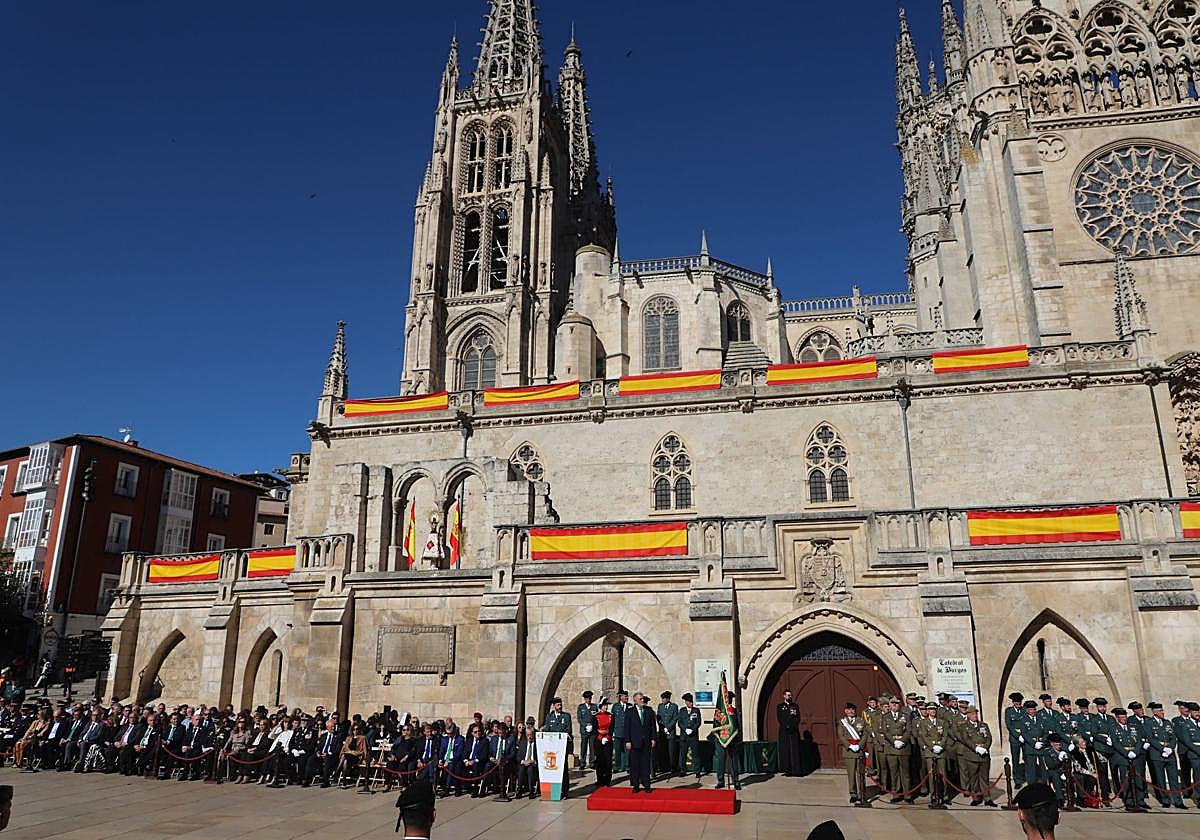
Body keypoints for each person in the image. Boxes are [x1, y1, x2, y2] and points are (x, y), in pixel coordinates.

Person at [1107, 707, 1148, 811]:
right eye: (1122, 717)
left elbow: (1139, 740)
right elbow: (1116, 743)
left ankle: (1140, 800)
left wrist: (1136, 752)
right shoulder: (1113, 728)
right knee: (1125, 780)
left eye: (1125, 717)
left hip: (1135, 755)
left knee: (1138, 779)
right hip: (1123, 757)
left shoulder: (1133, 727)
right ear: (1117, 718)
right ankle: (1128, 801)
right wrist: (1126, 753)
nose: (1124, 719)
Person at [1145, 702, 1185, 808]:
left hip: (1170, 754)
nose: (1162, 712)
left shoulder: (1167, 722)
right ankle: (1165, 800)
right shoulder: (1149, 723)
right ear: (1154, 712)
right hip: (1157, 754)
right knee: (1160, 779)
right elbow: (1150, 738)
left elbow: (1173, 737)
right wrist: (1162, 749)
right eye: (1160, 711)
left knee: (1174, 779)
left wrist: (1170, 748)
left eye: (1162, 710)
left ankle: (1178, 801)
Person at [958, 706, 996, 806]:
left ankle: (987, 798)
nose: (975, 715)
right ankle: (976, 797)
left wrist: (985, 748)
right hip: (972, 755)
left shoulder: (983, 725)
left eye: (976, 713)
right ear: (968, 715)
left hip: (984, 755)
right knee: (973, 778)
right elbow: (965, 739)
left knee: (984, 778)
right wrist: (976, 748)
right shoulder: (963, 726)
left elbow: (989, 738)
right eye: (973, 714)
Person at [914, 702, 950, 808]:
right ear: (927, 711)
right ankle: (934, 796)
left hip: (941, 751)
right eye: (930, 709)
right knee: (931, 776)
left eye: (934, 709)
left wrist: (940, 746)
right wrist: (932, 746)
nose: (933, 711)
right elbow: (924, 736)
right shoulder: (923, 723)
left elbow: (945, 735)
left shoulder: (942, 722)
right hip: (930, 752)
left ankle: (944, 795)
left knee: (943, 774)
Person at [624, 692, 657, 793]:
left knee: (645, 764)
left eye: (643, 698)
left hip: (646, 741)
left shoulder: (649, 711)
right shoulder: (630, 712)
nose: (643, 700)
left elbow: (653, 726)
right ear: (635, 701)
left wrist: (653, 738)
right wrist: (627, 741)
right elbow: (627, 728)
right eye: (640, 699)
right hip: (634, 742)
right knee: (635, 764)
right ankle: (635, 784)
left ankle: (646, 784)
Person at [881, 697, 912, 803]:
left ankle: (907, 794)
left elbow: (909, 730)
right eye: (892, 703)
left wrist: (902, 741)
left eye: (896, 703)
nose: (894, 705)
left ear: (900, 705)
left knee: (905, 773)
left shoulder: (906, 716)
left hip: (904, 747)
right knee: (894, 772)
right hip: (891, 747)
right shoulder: (885, 717)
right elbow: (885, 731)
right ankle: (895, 794)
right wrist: (894, 741)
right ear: (889, 705)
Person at [836, 702, 866, 804]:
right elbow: (841, 735)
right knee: (851, 774)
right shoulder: (842, 722)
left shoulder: (860, 721)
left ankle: (861, 793)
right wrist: (849, 746)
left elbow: (865, 735)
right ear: (846, 711)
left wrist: (860, 745)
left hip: (859, 750)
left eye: (853, 709)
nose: (851, 711)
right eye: (849, 709)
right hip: (849, 751)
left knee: (860, 773)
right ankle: (853, 794)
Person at [711, 698, 742, 791]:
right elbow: (716, 724)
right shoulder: (719, 711)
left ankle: (736, 781)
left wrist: (737, 736)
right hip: (721, 738)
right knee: (721, 760)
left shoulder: (734, 711)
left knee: (734, 760)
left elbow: (738, 724)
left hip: (732, 738)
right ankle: (720, 781)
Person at [677, 693, 703, 779]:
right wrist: (685, 729)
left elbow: (698, 722)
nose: (691, 703)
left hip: (693, 736)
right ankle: (682, 770)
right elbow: (679, 722)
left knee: (695, 754)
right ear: (686, 702)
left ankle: (697, 771)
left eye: (691, 702)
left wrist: (692, 729)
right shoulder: (682, 711)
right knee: (683, 754)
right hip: (684, 736)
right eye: (689, 702)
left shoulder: (696, 710)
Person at [776, 689, 801, 777]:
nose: (789, 697)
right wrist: (786, 726)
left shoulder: (795, 706)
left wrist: (793, 726)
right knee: (785, 750)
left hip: (793, 731)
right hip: (784, 731)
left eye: (790, 695)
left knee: (794, 750)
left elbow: (797, 718)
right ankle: (787, 769)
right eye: (788, 695)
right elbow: (780, 718)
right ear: (784, 696)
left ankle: (795, 770)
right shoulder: (780, 706)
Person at [656, 691, 679, 776]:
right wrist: (663, 727)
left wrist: (668, 728)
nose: (662, 700)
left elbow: (675, 718)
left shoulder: (674, 706)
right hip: (662, 732)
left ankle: (672, 767)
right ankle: (663, 767)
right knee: (662, 750)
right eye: (662, 698)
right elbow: (658, 718)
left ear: (668, 699)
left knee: (671, 751)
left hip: (670, 732)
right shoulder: (660, 706)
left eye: (664, 698)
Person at [515, 718, 539, 799]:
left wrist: (534, 761)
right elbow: (518, 756)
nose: (530, 737)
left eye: (531, 735)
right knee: (521, 769)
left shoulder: (537, 744)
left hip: (533, 763)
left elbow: (540, 757)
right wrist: (523, 761)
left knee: (530, 770)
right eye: (528, 735)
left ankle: (531, 791)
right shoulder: (523, 743)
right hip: (524, 762)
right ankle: (519, 791)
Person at [593, 698, 614, 787]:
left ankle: (607, 780)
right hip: (599, 740)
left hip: (608, 740)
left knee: (608, 760)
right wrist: (600, 738)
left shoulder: (611, 716)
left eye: (607, 705)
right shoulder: (596, 716)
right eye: (604, 705)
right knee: (600, 760)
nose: (606, 707)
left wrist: (607, 737)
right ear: (601, 706)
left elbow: (612, 728)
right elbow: (595, 729)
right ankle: (600, 780)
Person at [576, 691, 598, 771]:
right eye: (587, 698)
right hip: (584, 730)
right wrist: (586, 725)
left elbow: (596, 718)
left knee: (592, 747)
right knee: (583, 747)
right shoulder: (581, 707)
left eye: (589, 698)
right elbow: (579, 718)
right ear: (584, 699)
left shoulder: (594, 707)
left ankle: (592, 763)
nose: (588, 700)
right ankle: (582, 762)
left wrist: (592, 725)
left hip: (592, 730)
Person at [611, 690, 630, 774]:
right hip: (617, 731)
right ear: (621, 697)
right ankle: (616, 766)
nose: (627, 698)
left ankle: (627, 766)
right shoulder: (616, 706)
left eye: (627, 696)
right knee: (617, 750)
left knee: (627, 751)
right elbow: (613, 719)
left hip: (626, 732)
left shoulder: (630, 706)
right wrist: (612, 731)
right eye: (625, 696)